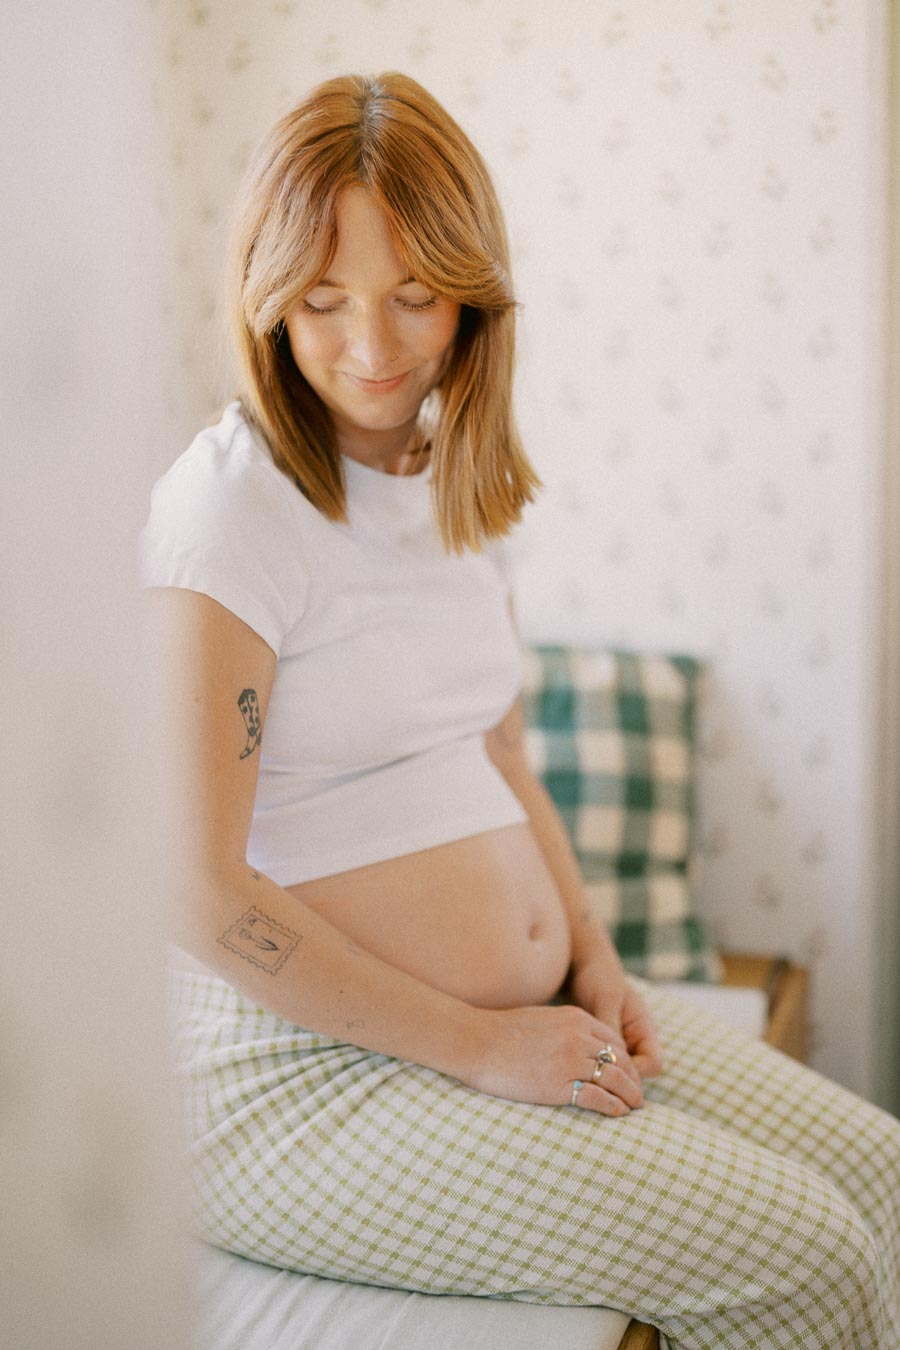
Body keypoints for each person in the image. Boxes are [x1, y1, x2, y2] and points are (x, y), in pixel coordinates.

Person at [142, 72, 900, 1349]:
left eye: (412, 295)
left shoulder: (452, 481)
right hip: (285, 1073)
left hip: (505, 1010)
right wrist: (480, 1047)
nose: (371, 347)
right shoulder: (229, 511)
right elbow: (195, 887)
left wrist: (593, 960)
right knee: (808, 1257)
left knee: (881, 1180)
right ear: (267, 300)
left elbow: (497, 756)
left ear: (473, 292)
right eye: (323, 300)